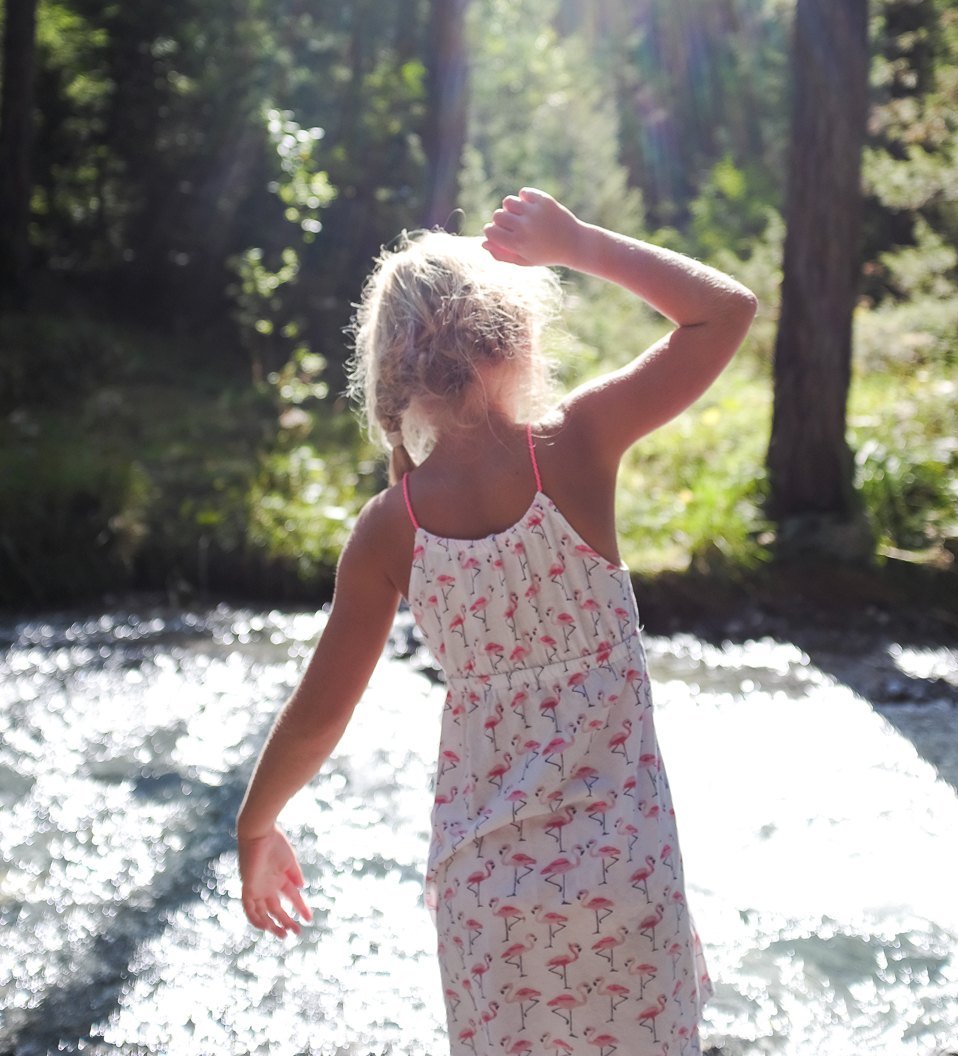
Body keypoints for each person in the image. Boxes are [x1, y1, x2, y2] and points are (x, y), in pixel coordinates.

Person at [236, 186, 757, 1054]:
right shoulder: (576, 446)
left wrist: (256, 826)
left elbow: (320, 711)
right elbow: (724, 312)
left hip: (491, 902)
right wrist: (578, 242)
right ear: (514, 336)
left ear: (394, 380)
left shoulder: (389, 529)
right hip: (622, 878)